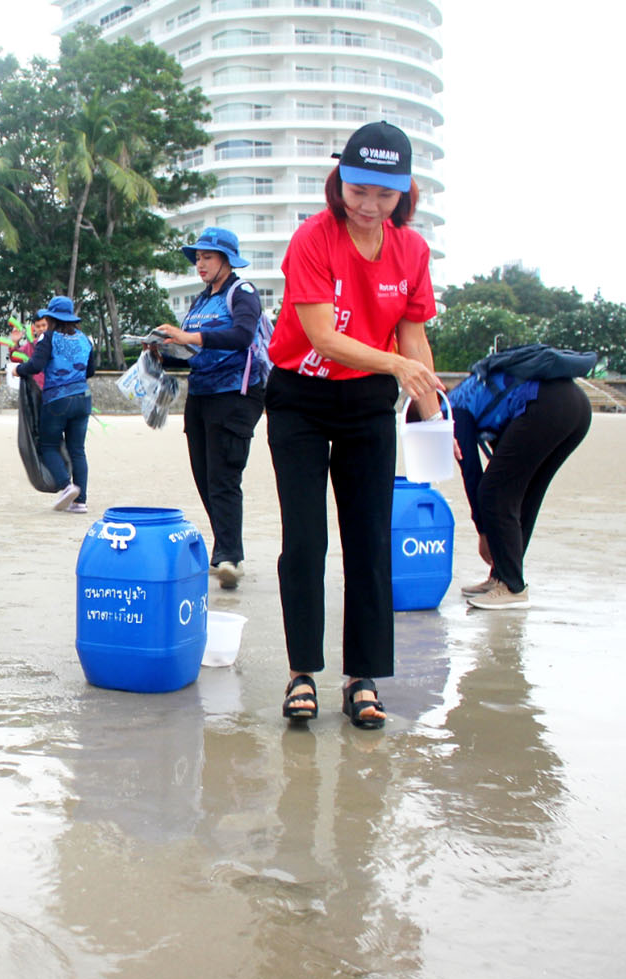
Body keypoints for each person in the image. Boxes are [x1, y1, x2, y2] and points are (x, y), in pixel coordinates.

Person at [263, 121, 443, 729]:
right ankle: (301, 673)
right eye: (357, 189)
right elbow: (321, 336)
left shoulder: (412, 252)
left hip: (368, 403)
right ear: (340, 181)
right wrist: (397, 363)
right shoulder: (312, 239)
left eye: (383, 195)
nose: (367, 206)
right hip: (300, 399)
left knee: (368, 540)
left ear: (404, 194)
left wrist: (433, 419)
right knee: (307, 539)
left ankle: (361, 676)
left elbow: (414, 336)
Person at [154, 227, 271, 589]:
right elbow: (194, 354)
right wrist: (163, 348)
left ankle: (229, 557)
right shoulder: (202, 301)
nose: (200, 264)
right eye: (198, 258)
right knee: (205, 475)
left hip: (235, 394)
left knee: (223, 475)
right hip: (202, 394)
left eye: (207, 257)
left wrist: (189, 336)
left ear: (226, 260)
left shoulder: (243, 292)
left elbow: (241, 336)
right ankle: (225, 548)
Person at [449, 364, 592, 609]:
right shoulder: (475, 399)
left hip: (546, 404)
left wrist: (484, 532)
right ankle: (502, 577)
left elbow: (472, 473)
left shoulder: (452, 410)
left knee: (493, 493)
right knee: (520, 492)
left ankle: (512, 587)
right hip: (574, 406)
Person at [17, 295, 95, 512]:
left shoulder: (48, 338)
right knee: (77, 450)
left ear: (51, 318)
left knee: (48, 445)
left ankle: (65, 485)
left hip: (57, 400)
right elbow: (90, 371)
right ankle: (81, 502)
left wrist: (18, 370)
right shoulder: (85, 339)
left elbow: (35, 365)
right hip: (83, 398)